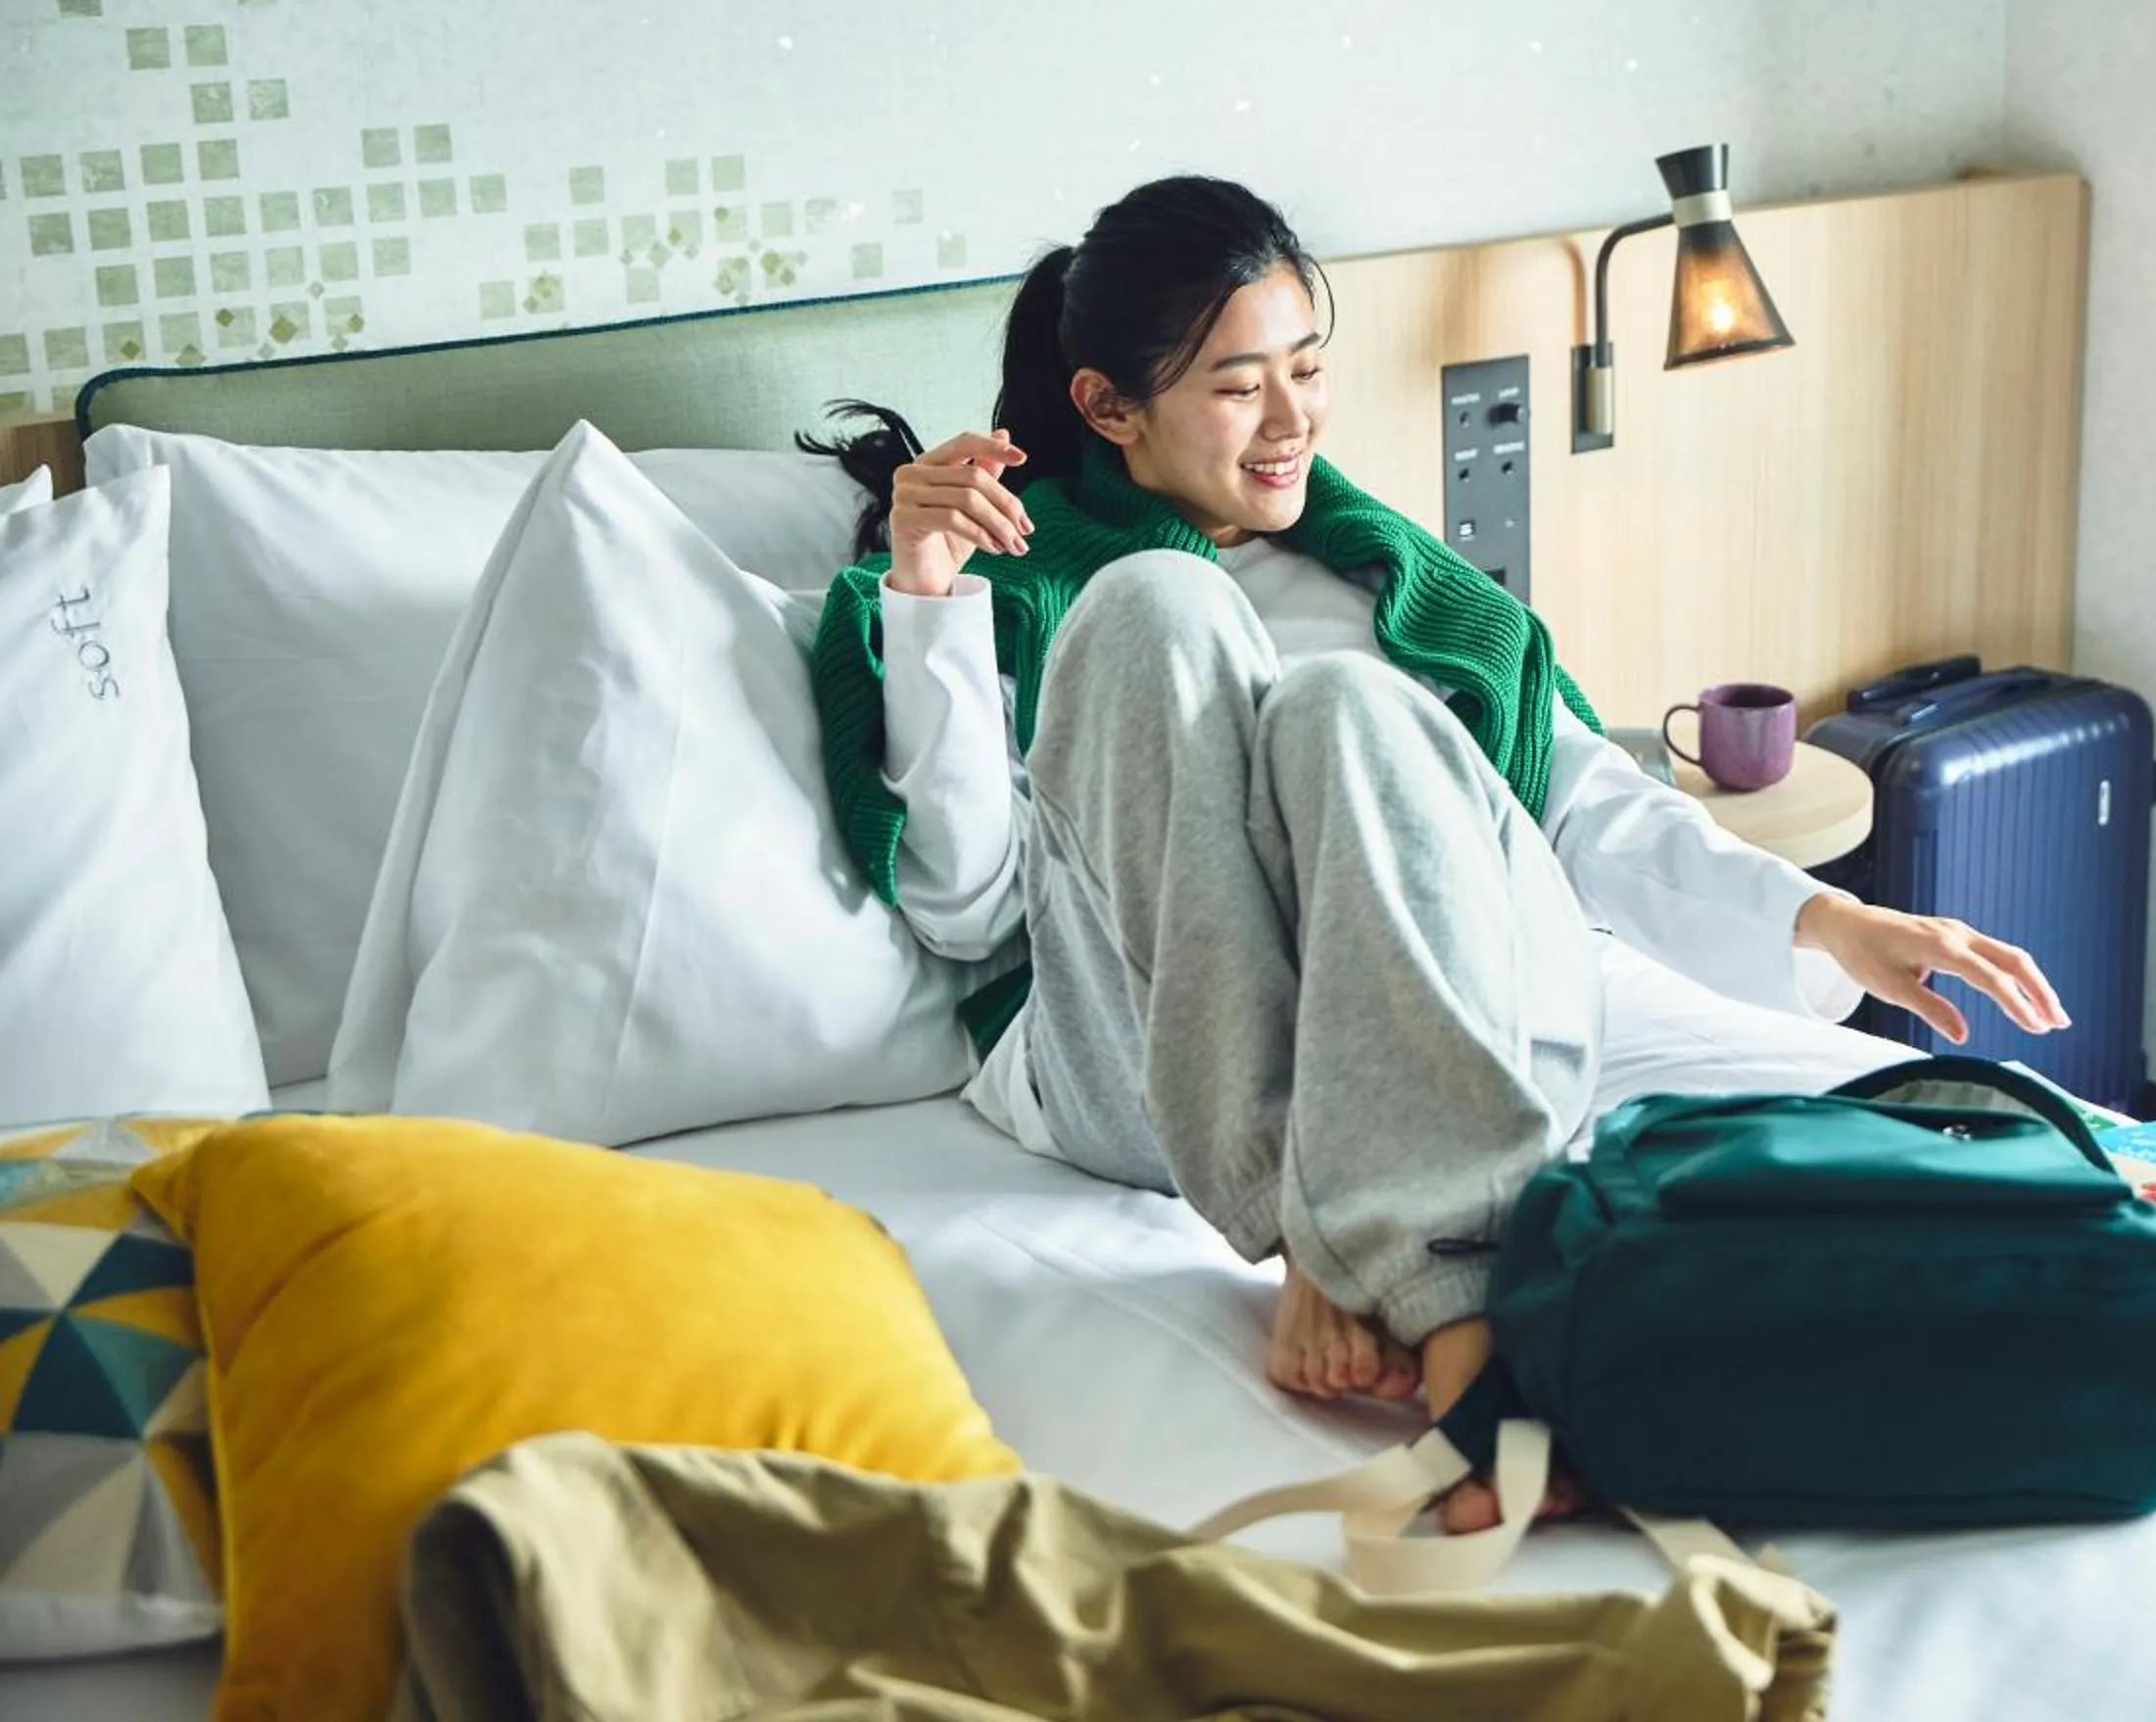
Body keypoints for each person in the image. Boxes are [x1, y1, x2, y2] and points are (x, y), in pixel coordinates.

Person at [807, 173, 2068, 1530]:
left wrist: (1828, 925)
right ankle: (1368, 1238)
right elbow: (968, 912)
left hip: (1457, 1009)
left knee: (1347, 702)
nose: (1292, 421)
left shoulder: (1387, 575)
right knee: (1153, 608)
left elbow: (1577, 809)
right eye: (1239, 388)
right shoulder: (1018, 583)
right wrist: (930, 601)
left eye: (1307, 368)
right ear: (1110, 406)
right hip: (1142, 1075)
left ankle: (1374, 1255)